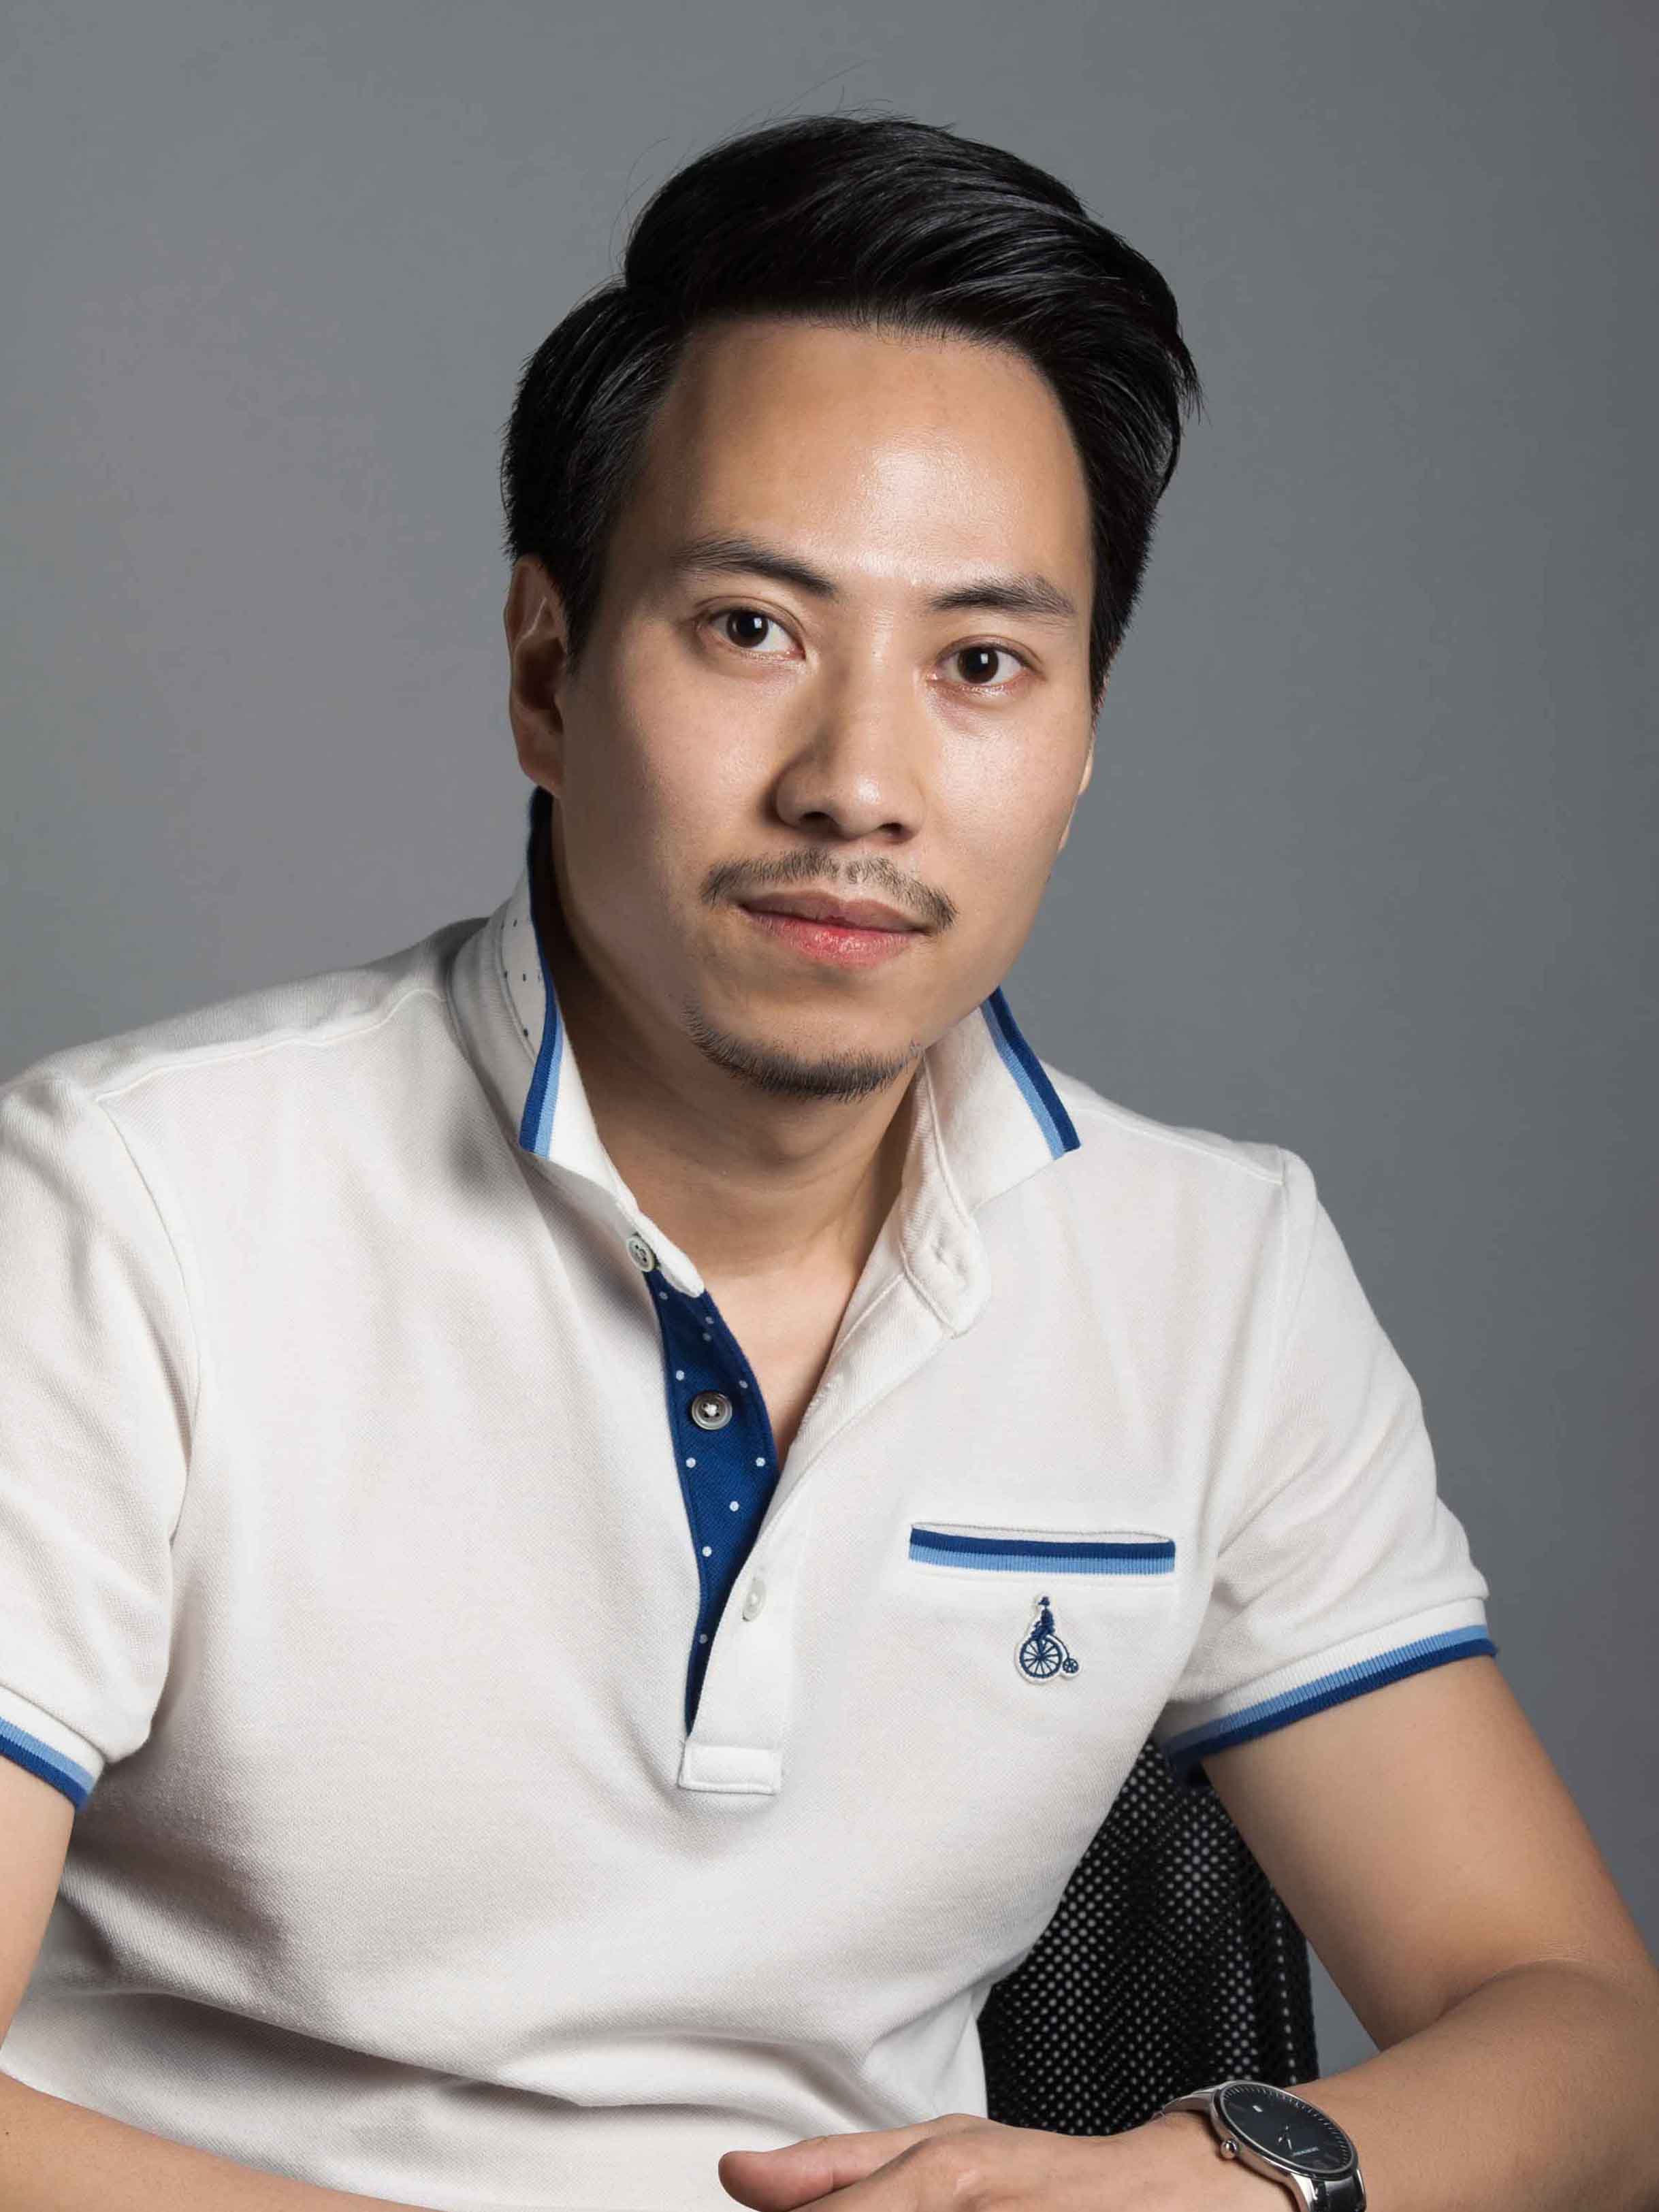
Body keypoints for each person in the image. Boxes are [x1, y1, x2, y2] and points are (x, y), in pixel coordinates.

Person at [1, 110, 1656, 2212]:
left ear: (1080, 741)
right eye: (752, 629)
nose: (859, 782)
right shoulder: (129, 1212)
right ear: (546, 670)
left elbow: (1592, 2045)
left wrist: (1211, 2187)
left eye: (982, 664)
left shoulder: (1211, 1275)